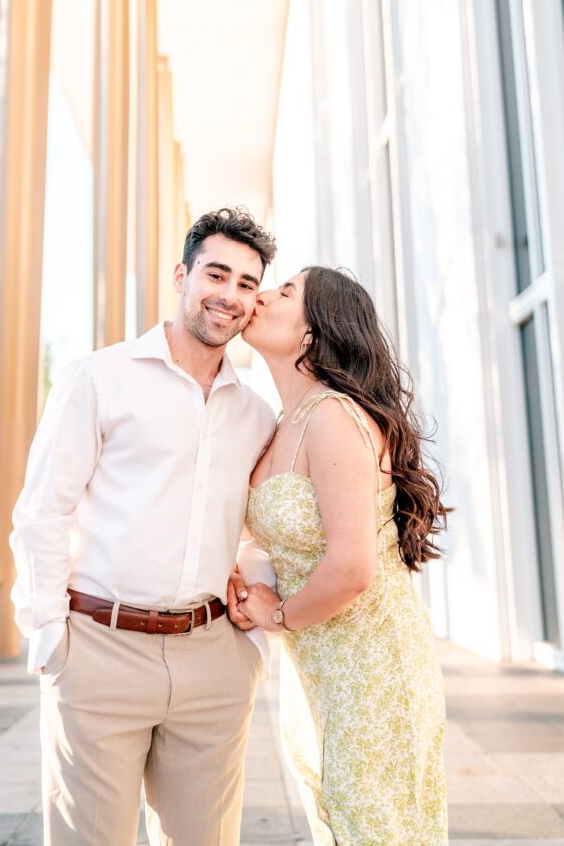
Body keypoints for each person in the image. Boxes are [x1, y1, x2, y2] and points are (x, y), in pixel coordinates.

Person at [10, 207, 277, 846]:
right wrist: (49, 636)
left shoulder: (257, 412)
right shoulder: (98, 377)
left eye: (247, 284)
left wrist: (250, 645)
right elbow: (44, 509)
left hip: (212, 658)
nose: (230, 296)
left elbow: (259, 531)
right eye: (217, 274)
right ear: (181, 275)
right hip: (99, 649)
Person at [229, 266, 449, 845]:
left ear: (313, 332)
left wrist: (276, 615)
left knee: (375, 828)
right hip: (317, 670)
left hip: (373, 670)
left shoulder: (333, 415)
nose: (262, 295)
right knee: (334, 820)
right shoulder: (283, 424)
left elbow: (352, 568)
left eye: (283, 292)